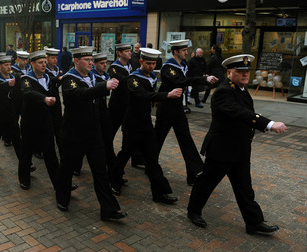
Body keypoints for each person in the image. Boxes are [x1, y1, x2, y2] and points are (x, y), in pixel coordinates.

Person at [187, 54, 287, 235]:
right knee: (207, 182)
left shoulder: (241, 89)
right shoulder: (224, 91)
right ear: (229, 73)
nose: (245, 75)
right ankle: (193, 211)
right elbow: (238, 112)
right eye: (240, 72)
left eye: (247, 72)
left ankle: (254, 223)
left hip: (240, 148)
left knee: (244, 187)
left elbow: (245, 113)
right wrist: (269, 124)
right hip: (222, 149)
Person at [55, 46, 127, 221]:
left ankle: (109, 209)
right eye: (86, 60)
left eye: (90, 59)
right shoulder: (69, 79)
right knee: (67, 168)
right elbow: (79, 94)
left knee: (100, 171)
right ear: (77, 61)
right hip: (74, 133)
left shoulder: (93, 76)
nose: (89, 63)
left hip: (93, 133)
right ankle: (62, 198)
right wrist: (104, 87)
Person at [111, 48, 182, 204]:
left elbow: (150, 96)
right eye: (148, 63)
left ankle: (160, 193)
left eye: (153, 63)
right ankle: (114, 182)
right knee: (125, 154)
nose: (151, 66)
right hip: (132, 124)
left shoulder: (151, 77)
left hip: (146, 124)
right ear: (141, 62)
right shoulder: (133, 79)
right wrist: (167, 95)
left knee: (152, 158)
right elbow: (144, 95)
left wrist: (157, 99)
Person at [155, 39, 218, 185]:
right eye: (183, 50)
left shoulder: (183, 64)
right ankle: (149, 164)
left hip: (177, 107)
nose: (186, 52)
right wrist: (204, 79)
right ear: (176, 51)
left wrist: (204, 79)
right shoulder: (168, 67)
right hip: (166, 108)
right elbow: (181, 81)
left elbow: (187, 79)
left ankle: (194, 173)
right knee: (157, 138)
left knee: (186, 139)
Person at [18, 50, 59, 190]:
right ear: (33, 64)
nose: (43, 65)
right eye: (40, 63)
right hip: (30, 122)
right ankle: (24, 179)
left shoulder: (47, 77)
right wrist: (44, 98)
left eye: (44, 63)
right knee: (27, 152)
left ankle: (59, 183)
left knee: (51, 154)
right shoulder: (26, 79)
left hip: (45, 121)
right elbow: (28, 93)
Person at [0, 55, 23, 171]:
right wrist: (7, 84)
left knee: (17, 140)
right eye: (5, 65)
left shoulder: (14, 77)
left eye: (9, 65)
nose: (8, 67)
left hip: (12, 113)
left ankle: (25, 163)